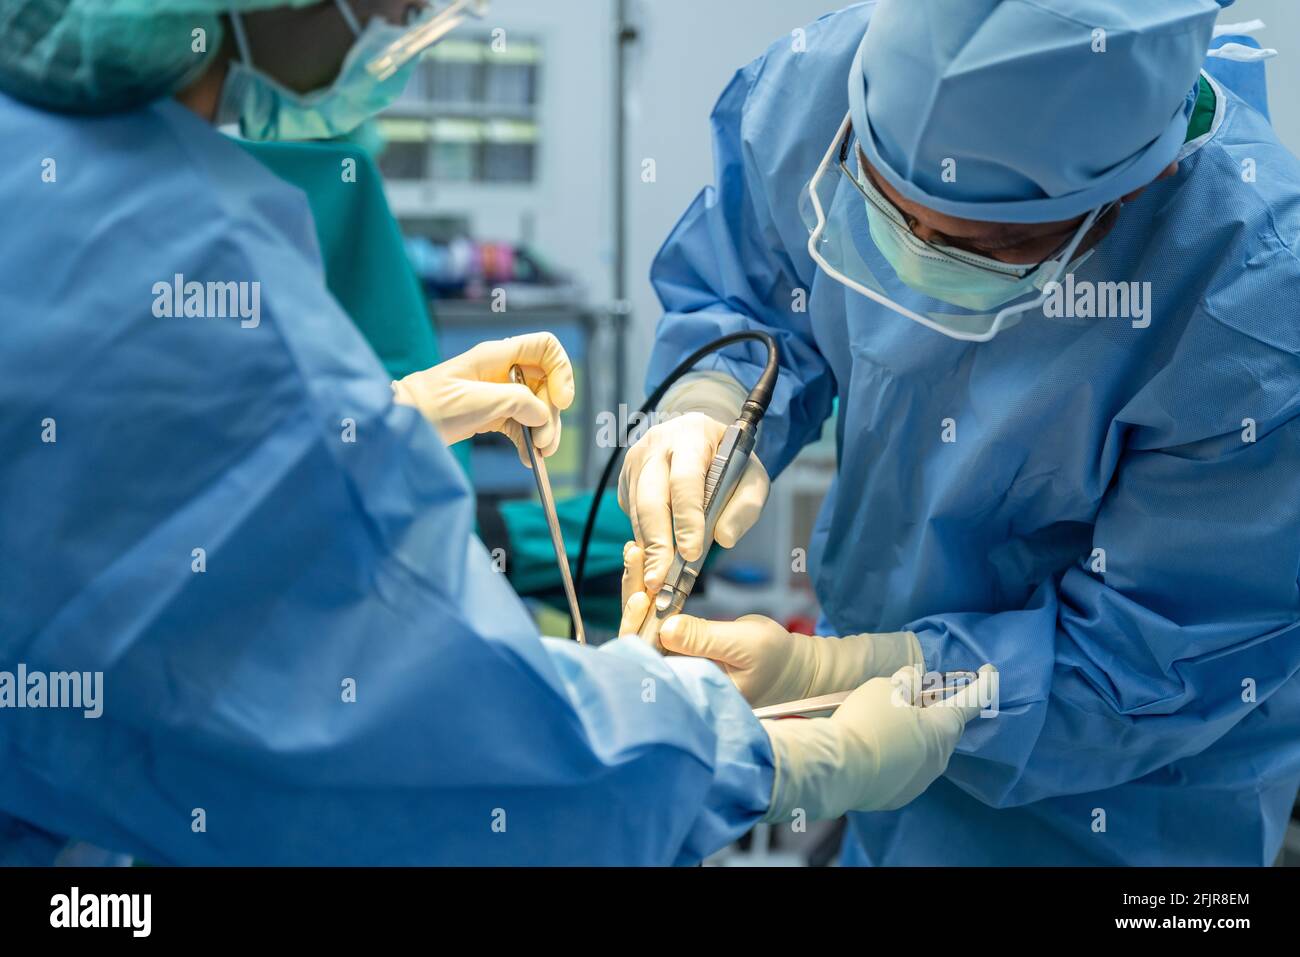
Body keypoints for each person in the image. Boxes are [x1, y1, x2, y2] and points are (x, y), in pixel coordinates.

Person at [0, 0, 992, 865]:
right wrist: (768, 754)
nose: (417, 17)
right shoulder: (182, 271)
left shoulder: (55, 170)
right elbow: (424, 752)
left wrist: (363, 426)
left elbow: (115, 515)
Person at [621, 0, 1300, 866]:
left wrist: (858, 681)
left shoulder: (1253, 303)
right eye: (882, 203)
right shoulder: (822, 85)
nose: (917, 256)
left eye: (994, 243)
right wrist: (709, 401)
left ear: (1136, 184)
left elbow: (1160, 650)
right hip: (890, 796)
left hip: (1125, 811)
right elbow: (750, 287)